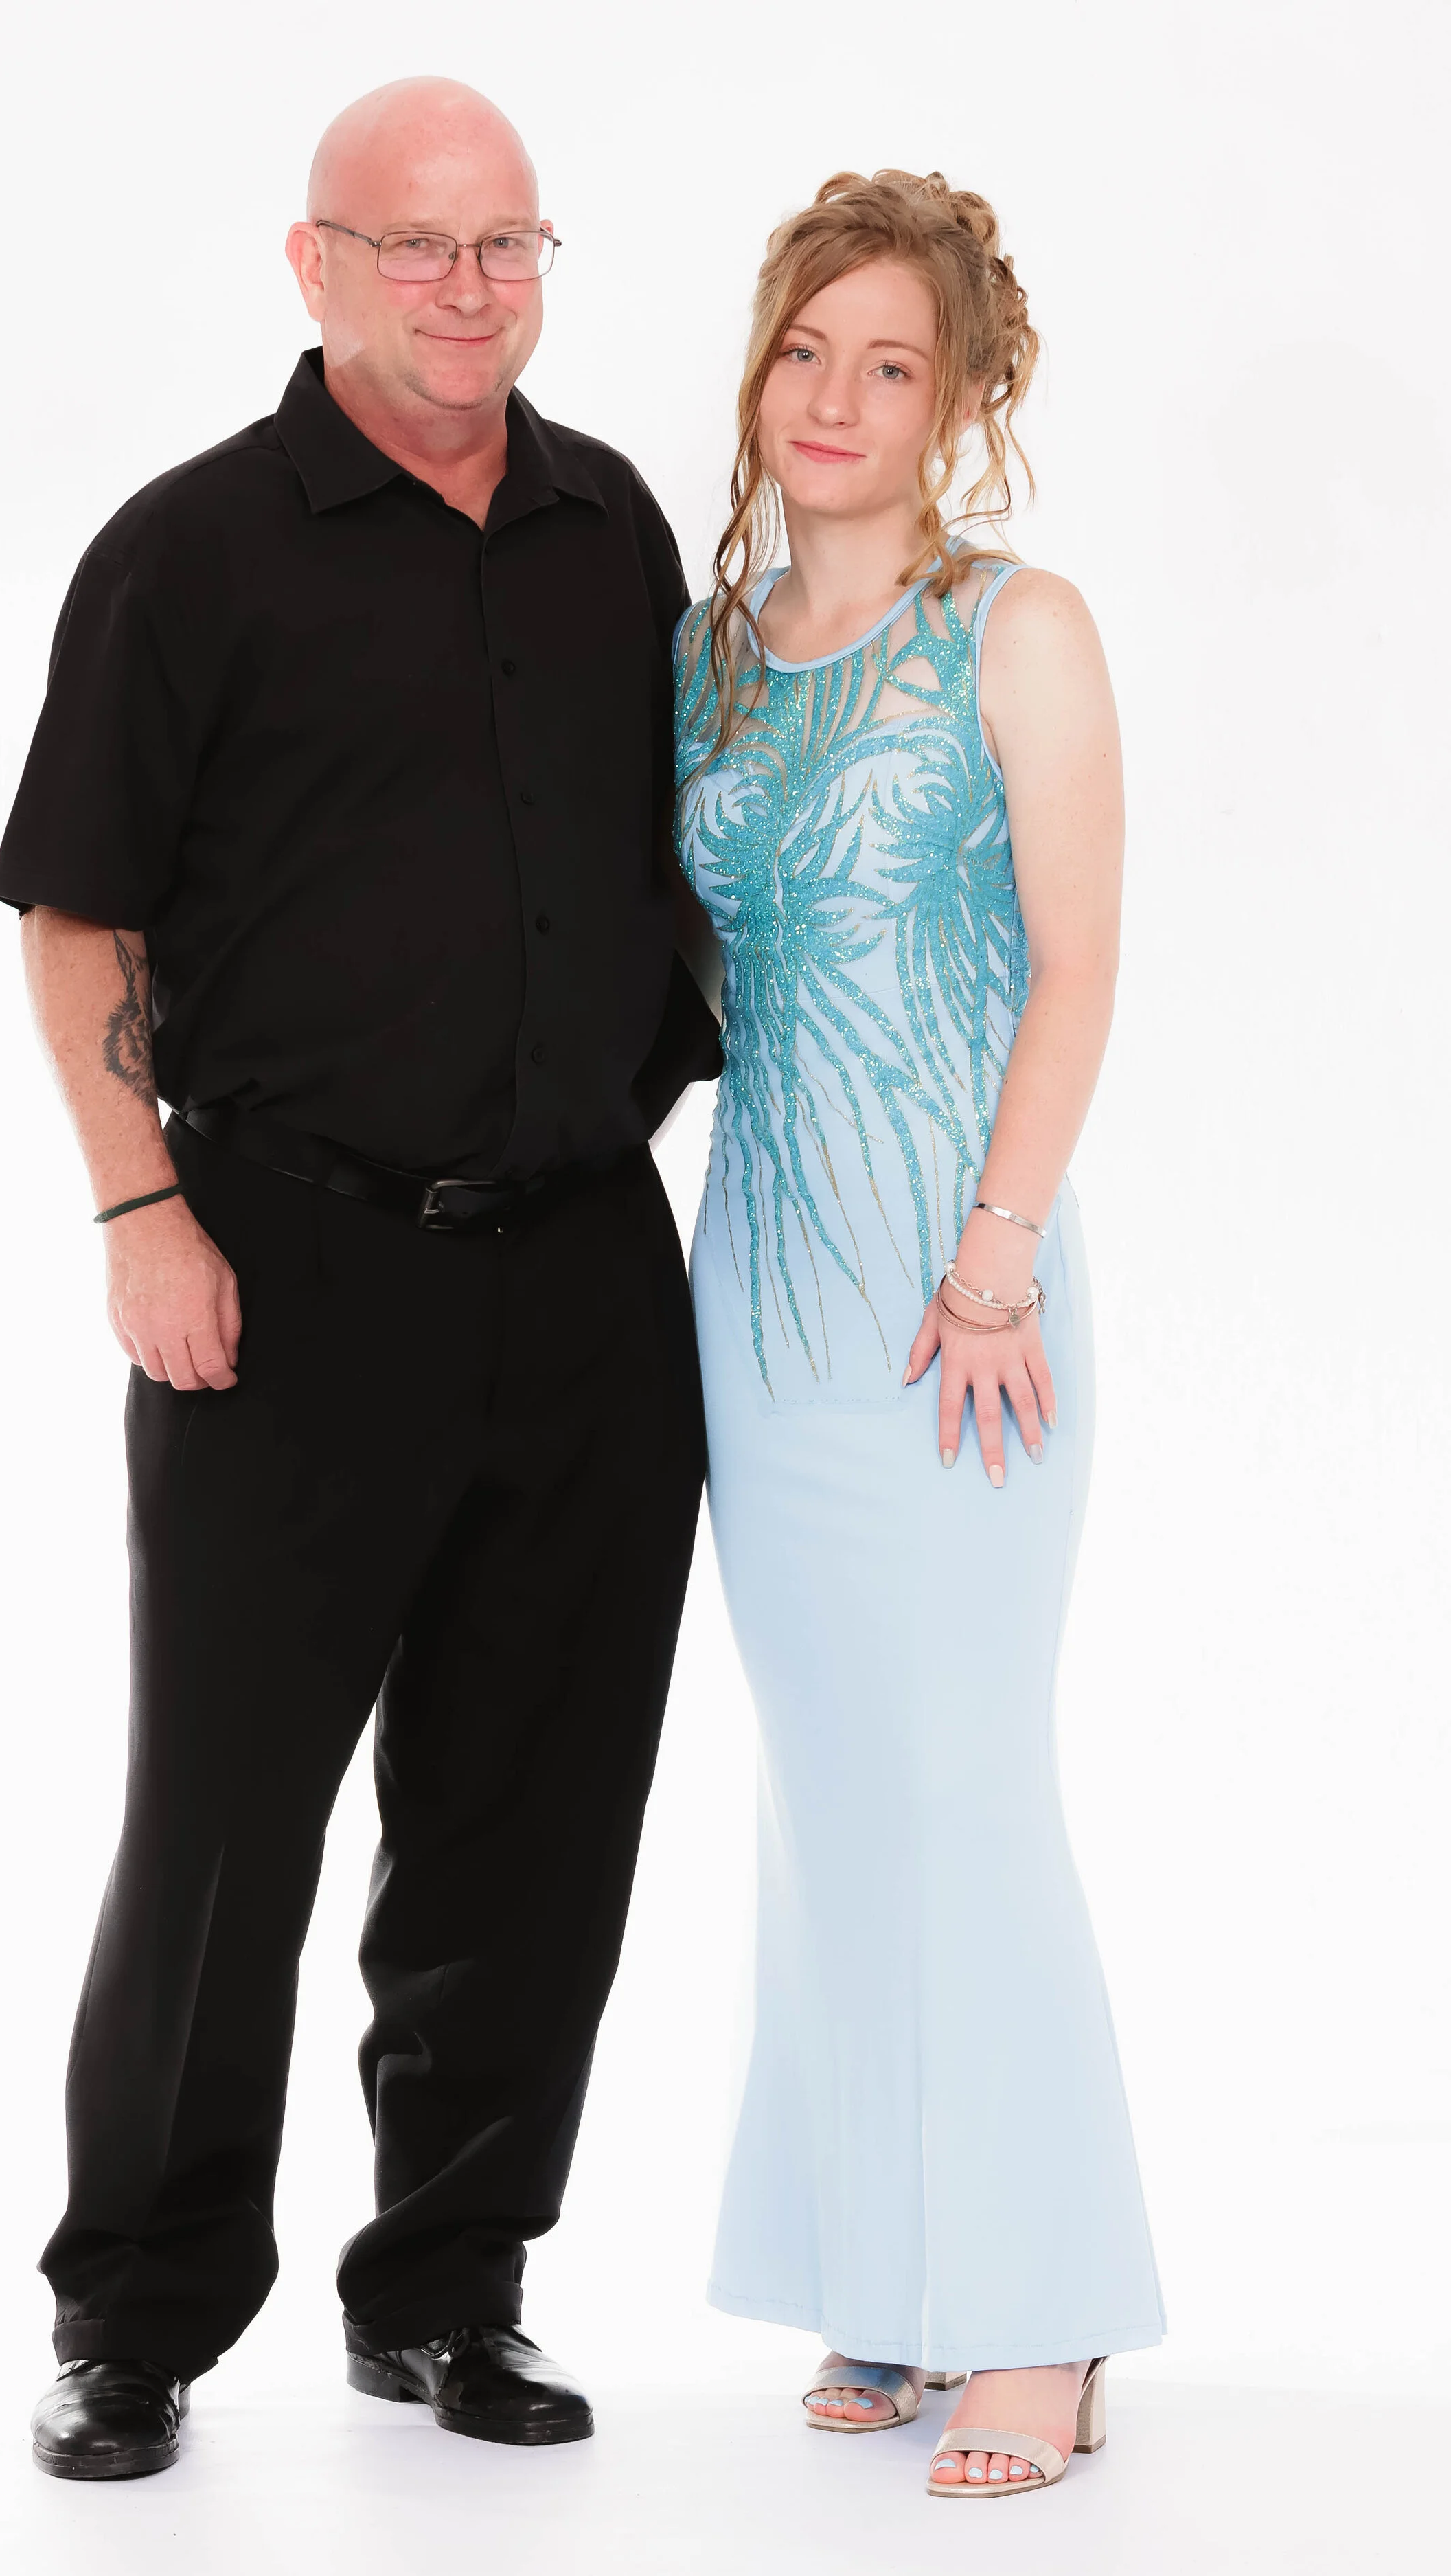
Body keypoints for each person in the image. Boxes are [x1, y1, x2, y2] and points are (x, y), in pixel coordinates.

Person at [0, 76, 719, 2480]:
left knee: (533, 1812)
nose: (466, 286)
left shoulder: (610, 525)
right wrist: (141, 1213)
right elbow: (79, 912)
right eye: (415, 244)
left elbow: (671, 860)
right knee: (222, 1828)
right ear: (312, 265)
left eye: (506, 242)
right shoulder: (188, 552)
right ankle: (135, 2312)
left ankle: (447, 2288)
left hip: (585, 1270)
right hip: (279, 1272)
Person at [674, 169, 1164, 2500]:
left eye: (891, 363)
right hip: (760, 1297)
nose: (836, 397)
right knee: (827, 1790)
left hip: (967, 1295)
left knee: (960, 1774)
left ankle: (1042, 2307)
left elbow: (1076, 963)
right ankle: (884, 2266)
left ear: (955, 400)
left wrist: (993, 1254)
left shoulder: (1012, 628)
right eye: (806, 349)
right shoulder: (704, 652)